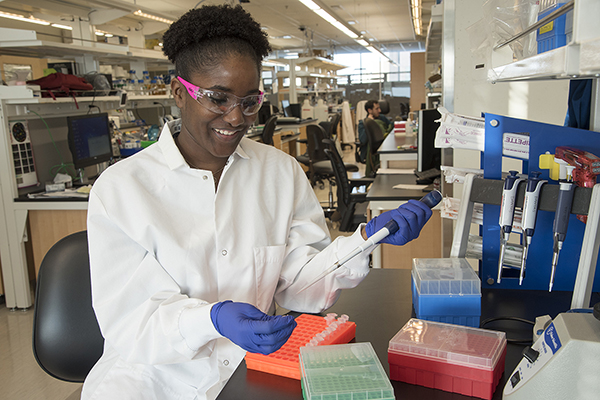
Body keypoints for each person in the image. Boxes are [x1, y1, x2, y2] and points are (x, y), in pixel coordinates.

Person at [82, 5, 432, 400]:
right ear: (179, 93)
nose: (235, 118)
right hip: (154, 382)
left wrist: (365, 240)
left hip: (254, 369)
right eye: (217, 99)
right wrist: (210, 319)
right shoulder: (121, 190)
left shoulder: (280, 173)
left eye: (250, 102)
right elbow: (131, 323)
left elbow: (299, 286)